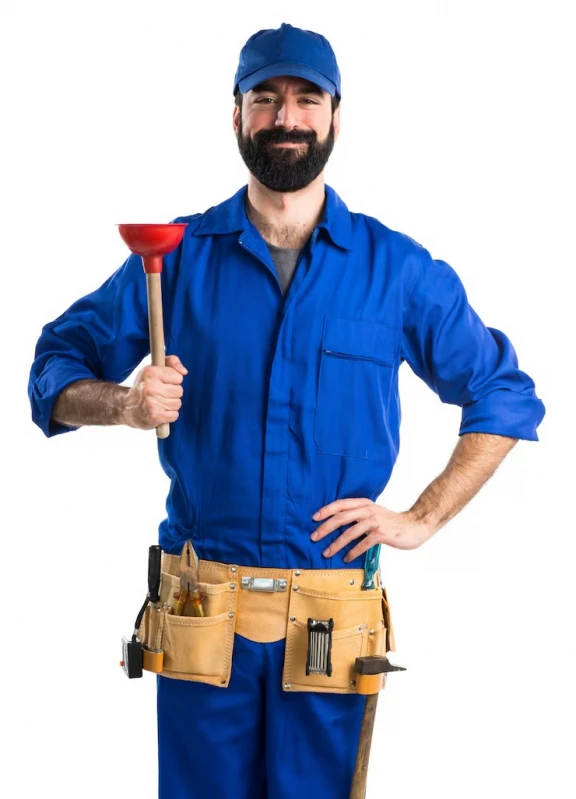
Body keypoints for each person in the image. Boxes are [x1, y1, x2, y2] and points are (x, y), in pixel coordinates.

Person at [28, 21, 545, 799]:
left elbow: (503, 393)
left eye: (307, 98)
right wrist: (126, 403)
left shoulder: (396, 270)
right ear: (236, 115)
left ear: (336, 116)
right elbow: (53, 368)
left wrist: (423, 517)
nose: (286, 117)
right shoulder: (175, 258)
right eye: (265, 98)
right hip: (201, 611)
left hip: (329, 619)